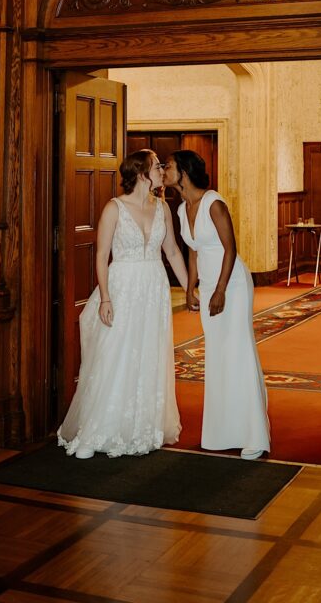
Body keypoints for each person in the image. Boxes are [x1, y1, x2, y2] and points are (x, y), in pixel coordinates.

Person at [58, 149, 188, 459]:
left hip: (154, 289)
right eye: (157, 166)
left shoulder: (163, 208)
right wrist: (105, 297)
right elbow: (101, 256)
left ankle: (141, 427)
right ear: (143, 173)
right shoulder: (114, 208)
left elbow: (171, 252)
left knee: (148, 353)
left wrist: (190, 289)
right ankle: (95, 430)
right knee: (113, 354)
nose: (162, 170)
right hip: (123, 287)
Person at [163, 150, 270, 460]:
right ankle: (222, 431)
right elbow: (193, 252)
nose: (164, 171)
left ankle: (254, 434)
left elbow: (230, 249)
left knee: (238, 351)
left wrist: (221, 290)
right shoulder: (183, 209)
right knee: (218, 355)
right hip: (209, 285)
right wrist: (190, 287)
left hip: (232, 284)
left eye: (168, 167)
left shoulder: (214, 203)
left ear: (182, 172)